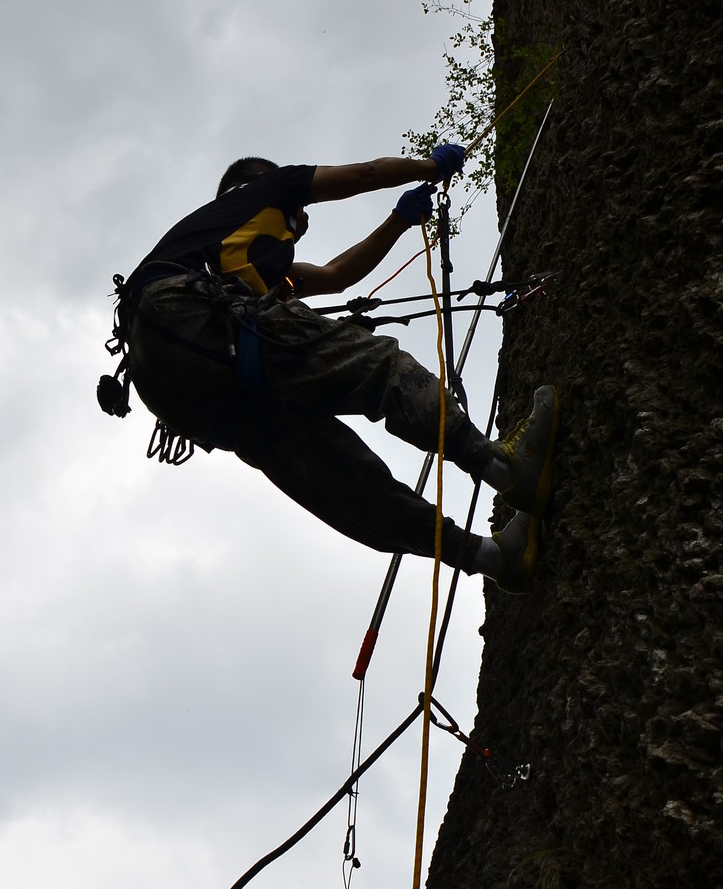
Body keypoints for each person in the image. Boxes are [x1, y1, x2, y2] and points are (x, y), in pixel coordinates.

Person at [108, 144, 558, 592]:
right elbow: (365, 174)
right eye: (299, 217)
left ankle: (496, 558)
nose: (300, 226)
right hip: (194, 317)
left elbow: (336, 274)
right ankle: (504, 468)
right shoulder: (268, 188)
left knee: (346, 479)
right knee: (380, 366)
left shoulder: (246, 264)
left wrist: (399, 219)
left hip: (187, 393)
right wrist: (430, 166)